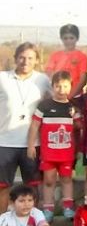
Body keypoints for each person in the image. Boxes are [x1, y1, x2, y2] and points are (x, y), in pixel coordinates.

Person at [0, 43, 51, 212]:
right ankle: (2, 225)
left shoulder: (43, 79)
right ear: (15, 58)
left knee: (32, 187)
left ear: (36, 60)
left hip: (32, 143)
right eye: (21, 57)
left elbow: (58, 99)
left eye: (30, 58)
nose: (25, 61)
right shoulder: (2, 78)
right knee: (2, 187)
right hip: (4, 142)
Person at [26, 72, 79, 221]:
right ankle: (48, 208)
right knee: (48, 180)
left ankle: (68, 207)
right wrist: (31, 145)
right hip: (48, 153)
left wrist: (78, 149)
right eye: (58, 86)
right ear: (53, 87)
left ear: (70, 87)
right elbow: (35, 125)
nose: (61, 90)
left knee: (66, 179)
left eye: (65, 86)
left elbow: (79, 128)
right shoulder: (45, 105)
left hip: (67, 153)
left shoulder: (72, 106)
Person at [45, 24, 87, 97]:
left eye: (71, 38)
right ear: (61, 39)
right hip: (57, 95)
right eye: (65, 38)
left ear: (77, 38)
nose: (68, 41)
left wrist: (70, 96)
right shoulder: (55, 56)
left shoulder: (82, 57)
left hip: (75, 96)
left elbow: (82, 80)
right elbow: (49, 73)